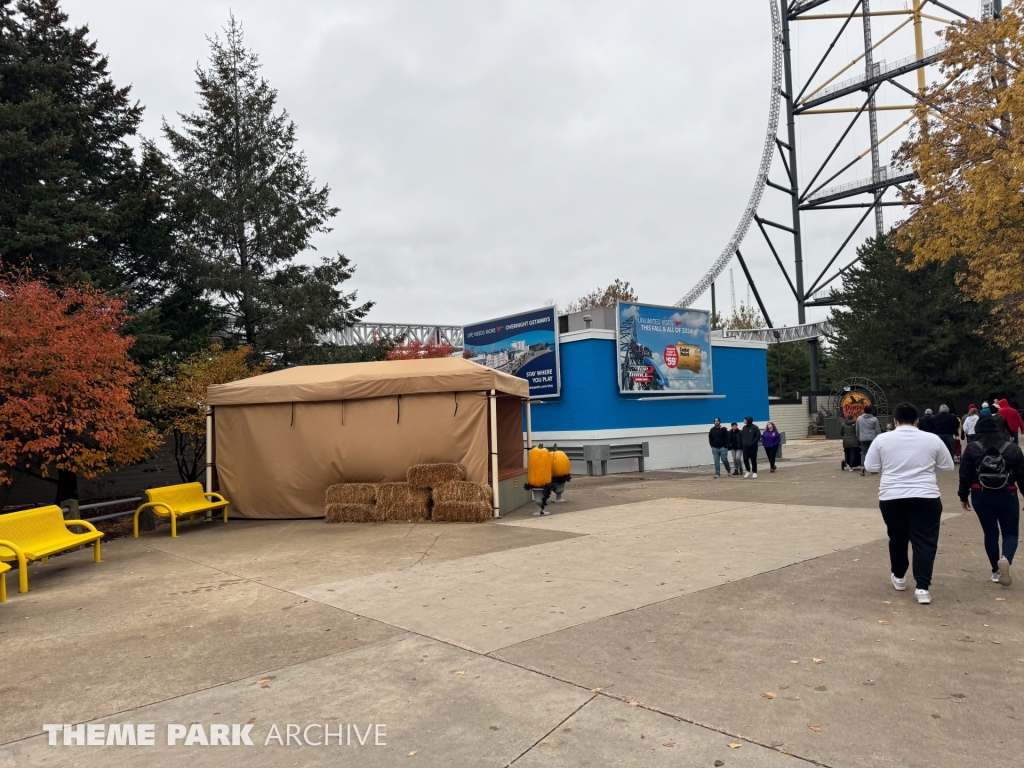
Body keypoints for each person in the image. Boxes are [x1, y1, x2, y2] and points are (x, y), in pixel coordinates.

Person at [863, 402, 955, 605]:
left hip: (892, 496)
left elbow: (870, 465)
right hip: (926, 496)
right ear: (917, 421)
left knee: (897, 537)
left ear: (894, 421)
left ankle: (899, 576)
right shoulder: (932, 439)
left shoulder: (882, 439)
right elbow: (947, 466)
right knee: (925, 542)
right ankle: (922, 588)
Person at [958, 414, 1022, 587]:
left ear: (978, 431)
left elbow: (964, 475)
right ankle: (1006, 559)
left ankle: (995, 570)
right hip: (1007, 493)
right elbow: (1022, 476)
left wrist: (963, 496)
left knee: (990, 533)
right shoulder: (1012, 449)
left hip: (981, 494)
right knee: (1010, 533)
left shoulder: (972, 449)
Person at [856, 405, 882, 476]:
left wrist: (858, 437)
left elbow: (857, 429)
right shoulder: (874, 419)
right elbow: (877, 430)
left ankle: (862, 466)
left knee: (864, 453)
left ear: (864, 411)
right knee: (873, 453)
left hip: (863, 438)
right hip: (872, 438)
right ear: (871, 411)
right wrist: (879, 438)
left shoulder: (859, 419)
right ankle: (872, 469)